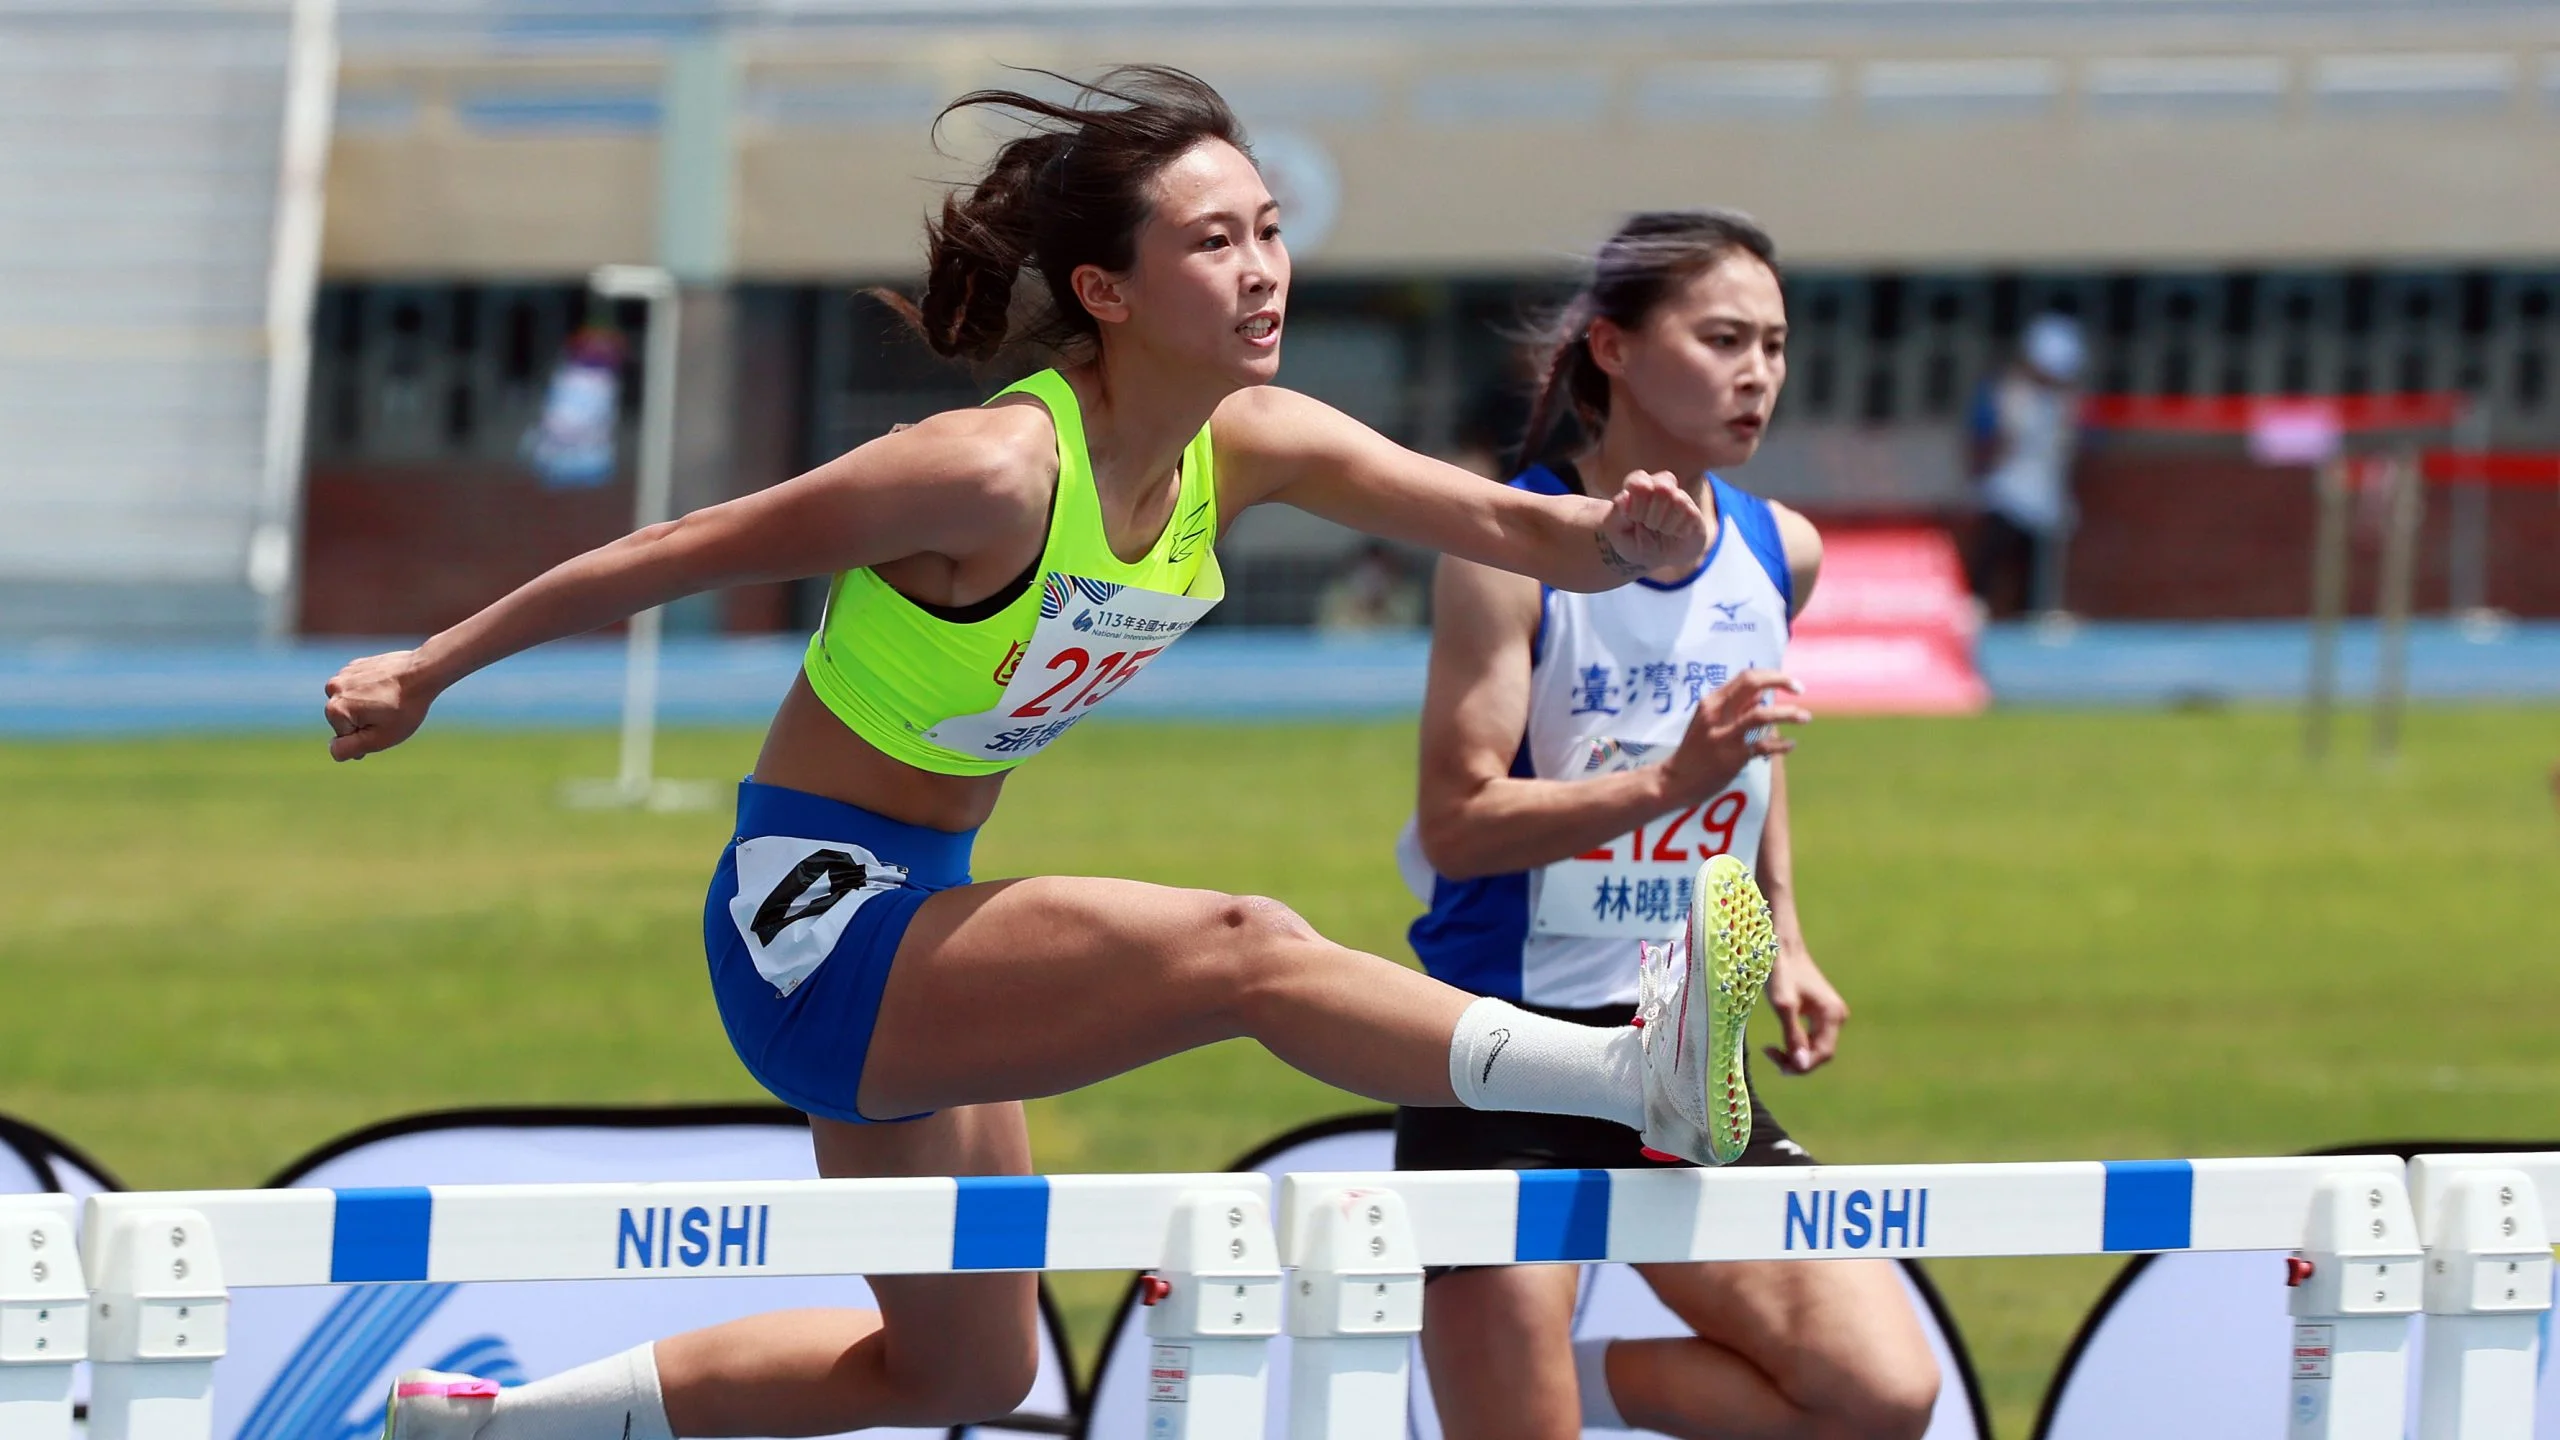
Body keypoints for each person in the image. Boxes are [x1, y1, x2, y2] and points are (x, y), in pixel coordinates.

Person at [330, 69, 1797, 1440]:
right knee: (1244, 946)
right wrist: (428, 668)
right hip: (817, 922)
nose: (1264, 268)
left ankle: (482, 1426)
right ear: (1108, 289)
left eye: (1270, 231)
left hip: (929, 910)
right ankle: (1630, 1081)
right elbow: (671, 550)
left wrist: (1622, 539)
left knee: (967, 1367)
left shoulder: (1256, 441)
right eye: (1215, 241)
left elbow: (1516, 528)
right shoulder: (985, 472)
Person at [1396, 212, 1941, 1439]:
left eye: (1775, 343)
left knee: (1880, 1397)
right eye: (1722, 338)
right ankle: (1516, 1402)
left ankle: (1585, 1390)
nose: (1758, 371)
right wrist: (1664, 783)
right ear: (1616, 350)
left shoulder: (1778, 552)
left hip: (1679, 1070)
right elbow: (1458, 827)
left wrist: (1787, 933)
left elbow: (1758, 748)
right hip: (1501, 1065)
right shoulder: (1503, 550)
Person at [1965, 311, 2086, 620]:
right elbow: (1984, 436)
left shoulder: (2066, 403)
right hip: (2007, 489)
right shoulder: (2008, 392)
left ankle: (2033, 614)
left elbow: (2079, 443)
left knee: (2038, 567)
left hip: (2046, 496)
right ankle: (1972, 606)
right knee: (1992, 552)